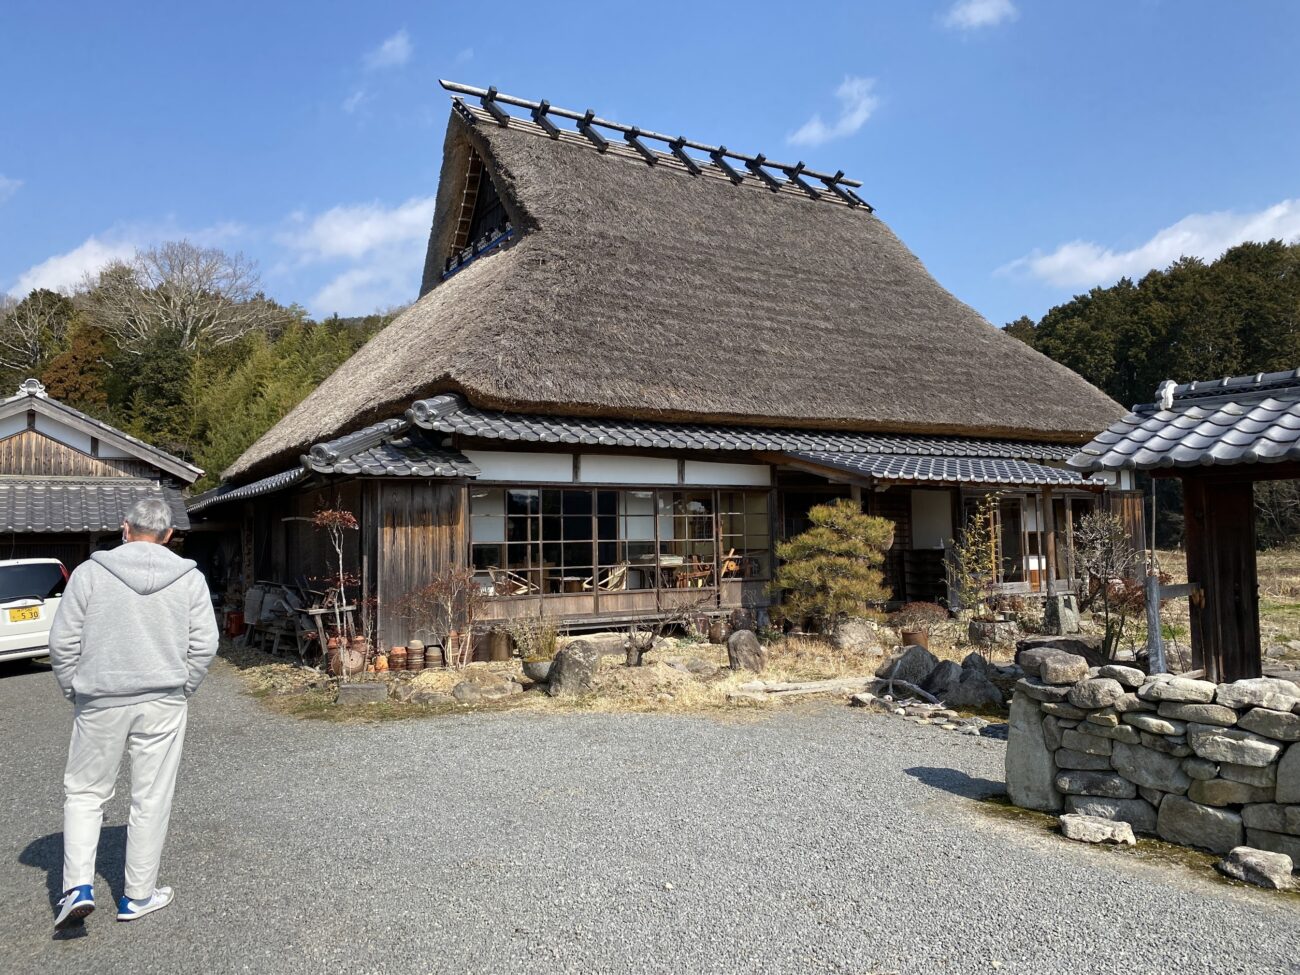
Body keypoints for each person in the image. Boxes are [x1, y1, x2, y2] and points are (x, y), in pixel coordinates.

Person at [48, 498, 219, 929]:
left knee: (85, 793)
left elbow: (62, 643)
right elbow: (205, 644)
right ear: (167, 536)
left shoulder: (89, 574)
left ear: (125, 528)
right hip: (163, 699)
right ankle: (138, 896)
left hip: (100, 698)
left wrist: (76, 690)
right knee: (151, 797)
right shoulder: (189, 578)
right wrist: (184, 687)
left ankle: (77, 888)